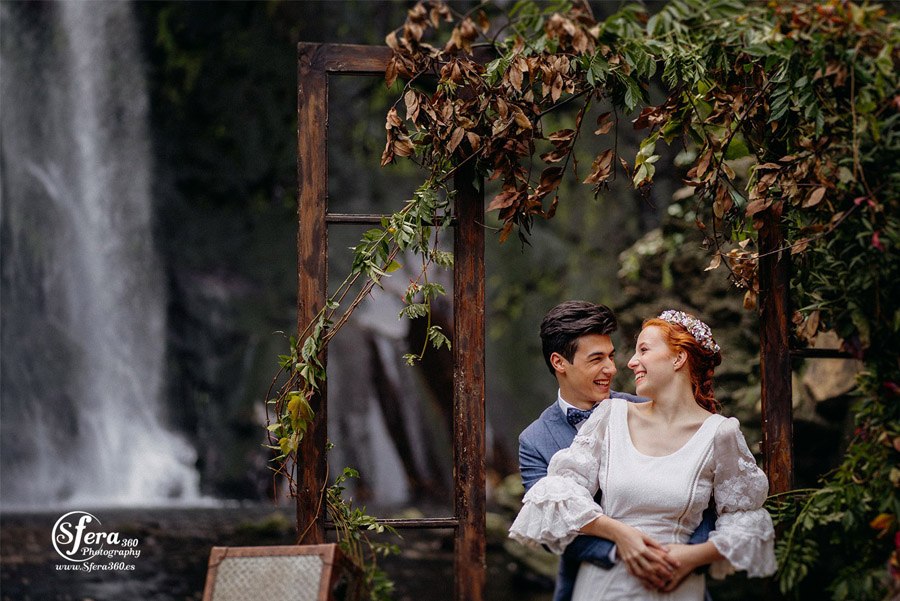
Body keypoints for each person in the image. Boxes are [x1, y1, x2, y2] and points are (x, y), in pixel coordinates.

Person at [510, 310, 776, 600]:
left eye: (612, 356)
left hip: (677, 580)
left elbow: (718, 508)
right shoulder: (536, 440)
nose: (615, 368)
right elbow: (551, 520)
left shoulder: (698, 424)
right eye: (597, 359)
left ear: (679, 359)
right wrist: (622, 542)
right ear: (559, 363)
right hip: (601, 581)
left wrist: (687, 558)